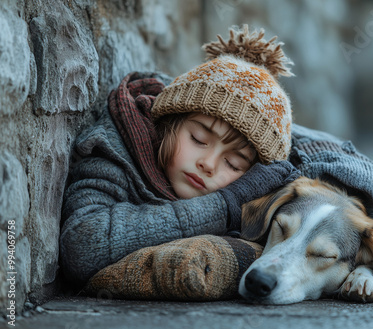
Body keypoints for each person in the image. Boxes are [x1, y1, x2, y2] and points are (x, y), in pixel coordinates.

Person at [59, 25, 300, 287]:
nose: (207, 164)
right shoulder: (117, 151)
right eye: (198, 139)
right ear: (170, 122)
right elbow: (80, 247)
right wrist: (223, 205)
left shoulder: (256, 198)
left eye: (233, 163)